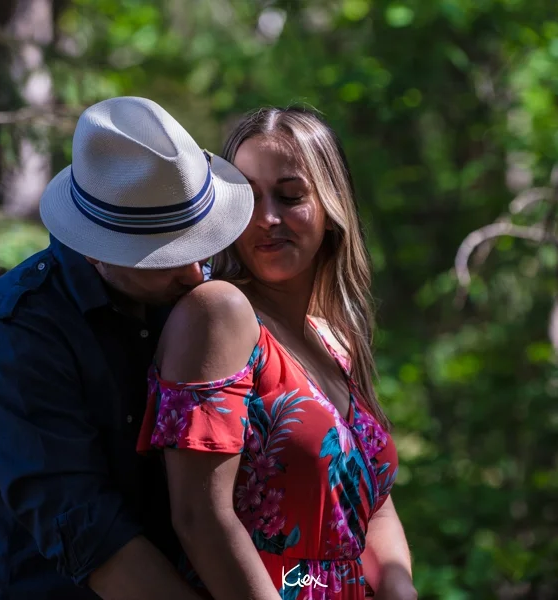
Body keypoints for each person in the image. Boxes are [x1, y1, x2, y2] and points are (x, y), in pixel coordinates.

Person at [0, 96, 254, 599]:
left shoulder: (177, 297)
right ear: (95, 251)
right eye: (166, 256)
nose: (195, 274)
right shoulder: (11, 340)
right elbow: (97, 545)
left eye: (201, 247)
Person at [136, 107, 417, 600]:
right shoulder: (218, 313)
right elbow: (200, 517)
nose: (267, 219)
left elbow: (372, 505)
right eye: (248, 199)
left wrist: (399, 587)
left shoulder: (334, 338)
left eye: (290, 197)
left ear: (331, 207)